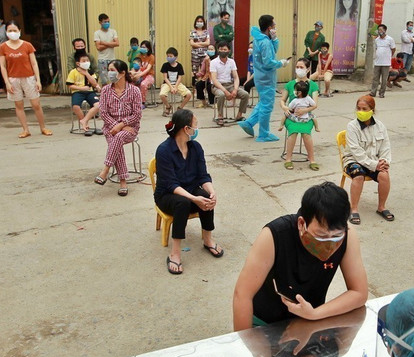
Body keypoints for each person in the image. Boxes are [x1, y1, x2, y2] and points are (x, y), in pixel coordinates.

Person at [232, 182, 368, 329]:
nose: (329, 244)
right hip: (265, 321)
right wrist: (244, 343)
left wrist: (315, 314)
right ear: (301, 223)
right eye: (321, 235)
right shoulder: (274, 235)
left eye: (336, 236)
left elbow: (359, 292)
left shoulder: (348, 236)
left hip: (309, 318)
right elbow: (242, 295)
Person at [154, 108, 223, 275]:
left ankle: (207, 239)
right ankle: (175, 253)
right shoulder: (164, 150)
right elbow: (170, 185)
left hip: (190, 190)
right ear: (186, 129)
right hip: (167, 196)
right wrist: (194, 199)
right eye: (195, 126)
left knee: (206, 197)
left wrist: (212, 192)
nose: (196, 129)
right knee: (183, 203)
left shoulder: (195, 148)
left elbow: (203, 176)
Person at [92, 59, 141, 197]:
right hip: (110, 128)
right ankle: (123, 181)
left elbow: (137, 114)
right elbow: (103, 113)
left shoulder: (134, 91)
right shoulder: (106, 90)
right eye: (109, 70)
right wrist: (115, 126)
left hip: (130, 128)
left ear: (122, 73)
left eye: (112, 70)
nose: (109, 73)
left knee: (117, 137)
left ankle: (105, 170)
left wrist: (122, 125)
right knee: (116, 138)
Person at [239, 14, 291, 143]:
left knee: (263, 103)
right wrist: (281, 63)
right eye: (274, 26)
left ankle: (249, 123)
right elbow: (269, 61)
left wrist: (275, 39)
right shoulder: (265, 42)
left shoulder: (259, 38)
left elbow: (273, 51)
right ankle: (263, 133)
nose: (275, 28)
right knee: (267, 106)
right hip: (266, 77)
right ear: (269, 27)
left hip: (260, 76)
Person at [343, 95, 393, 225]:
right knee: (358, 175)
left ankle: (381, 207)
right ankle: (354, 209)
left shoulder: (380, 126)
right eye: (358, 108)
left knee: (384, 175)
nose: (361, 112)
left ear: (372, 110)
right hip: (353, 160)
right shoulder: (352, 126)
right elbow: (356, 151)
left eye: (364, 109)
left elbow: (385, 147)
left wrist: (384, 162)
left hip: (374, 161)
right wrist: (374, 164)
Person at [0, 21, 51, 138]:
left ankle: (43, 127)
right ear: (6, 32)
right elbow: (2, 66)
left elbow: (34, 63)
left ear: (20, 31)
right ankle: (25, 129)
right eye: (10, 30)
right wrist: (7, 82)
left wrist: (38, 80)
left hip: (29, 77)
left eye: (15, 30)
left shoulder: (27, 45)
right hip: (13, 79)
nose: (12, 33)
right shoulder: (3, 47)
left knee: (36, 104)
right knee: (19, 104)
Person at [280, 58, 320, 170]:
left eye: (301, 67)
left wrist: (305, 111)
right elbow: (282, 100)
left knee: (306, 134)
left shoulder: (313, 85)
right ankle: (288, 158)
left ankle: (312, 159)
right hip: (292, 117)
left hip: (306, 118)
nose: (298, 69)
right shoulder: (290, 84)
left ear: (307, 69)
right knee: (293, 132)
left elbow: (315, 104)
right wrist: (285, 107)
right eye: (297, 67)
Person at [211, 41, 247, 123]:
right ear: (218, 50)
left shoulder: (231, 62)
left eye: (225, 49)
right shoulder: (213, 62)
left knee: (245, 94)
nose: (223, 51)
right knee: (221, 95)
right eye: (221, 49)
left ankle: (239, 115)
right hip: (217, 86)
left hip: (229, 85)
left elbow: (236, 77)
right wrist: (225, 91)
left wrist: (235, 89)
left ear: (229, 51)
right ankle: (220, 116)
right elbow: (214, 80)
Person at [67, 50, 100, 136]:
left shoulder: (90, 72)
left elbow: (94, 83)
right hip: (78, 92)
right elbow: (70, 85)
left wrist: (86, 74)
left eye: (87, 61)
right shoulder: (73, 72)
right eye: (84, 61)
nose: (86, 62)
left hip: (89, 92)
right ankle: (85, 125)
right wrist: (81, 88)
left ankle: (85, 120)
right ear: (78, 63)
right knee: (76, 106)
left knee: (98, 105)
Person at [159, 47, 192, 116]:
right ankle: (168, 107)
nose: (169, 58)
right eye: (168, 56)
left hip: (177, 83)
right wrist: (171, 87)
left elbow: (180, 78)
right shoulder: (165, 65)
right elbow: (165, 78)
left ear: (175, 57)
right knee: (162, 95)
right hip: (167, 84)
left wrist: (176, 87)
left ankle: (180, 108)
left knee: (189, 94)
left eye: (171, 56)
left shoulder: (179, 66)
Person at [370, 24, 395, 98]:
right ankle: (373, 92)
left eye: (381, 30)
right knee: (375, 79)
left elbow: (393, 49)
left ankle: (382, 93)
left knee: (384, 79)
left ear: (385, 30)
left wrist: (388, 56)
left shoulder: (390, 39)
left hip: (386, 63)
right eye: (379, 30)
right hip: (377, 62)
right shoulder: (377, 40)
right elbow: (377, 49)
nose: (379, 31)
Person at [93, 13, 119, 85]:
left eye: (108, 21)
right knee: (104, 80)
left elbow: (117, 43)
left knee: (114, 78)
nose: (107, 23)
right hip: (102, 60)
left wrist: (103, 43)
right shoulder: (97, 33)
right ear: (100, 22)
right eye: (105, 22)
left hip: (112, 59)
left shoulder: (113, 31)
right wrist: (111, 44)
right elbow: (98, 47)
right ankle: (105, 94)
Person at [130, 39, 156, 107]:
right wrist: (132, 73)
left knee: (143, 84)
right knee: (131, 83)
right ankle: (133, 101)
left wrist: (139, 75)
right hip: (139, 74)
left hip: (149, 75)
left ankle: (142, 102)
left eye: (144, 47)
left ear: (148, 48)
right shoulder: (138, 56)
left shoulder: (151, 57)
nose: (142, 48)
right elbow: (135, 67)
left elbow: (148, 69)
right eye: (141, 47)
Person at [193, 43, 215, 109]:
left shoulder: (217, 59)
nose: (210, 50)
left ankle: (212, 103)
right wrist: (195, 75)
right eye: (209, 49)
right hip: (206, 77)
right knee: (198, 85)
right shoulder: (205, 59)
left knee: (209, 87)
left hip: (215, 78)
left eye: (212, 49)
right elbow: (202, 71)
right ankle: (203, 102)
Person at [189, 15, 210, 81]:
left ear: (203, 23)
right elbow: (191, 43)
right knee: (194, 71)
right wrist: (203, 43)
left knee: (204, 70)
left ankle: (202, 87)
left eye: (201, 21)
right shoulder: (192, 32)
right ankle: (195, 88)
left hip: (204, 54)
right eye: (198, 21)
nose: (199, 22)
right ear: (195, 22)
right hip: (195, 55)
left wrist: (197, 43)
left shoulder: (206, 32)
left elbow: (208, 43)